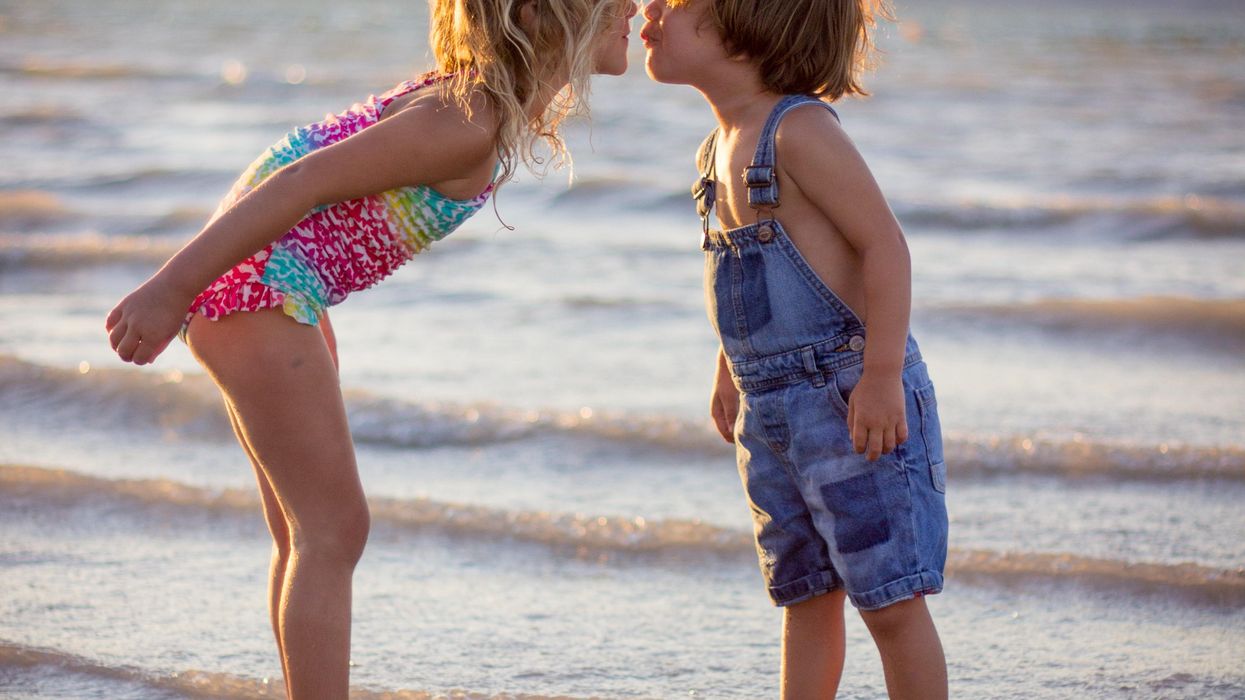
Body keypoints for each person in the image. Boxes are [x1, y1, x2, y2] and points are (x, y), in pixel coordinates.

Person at [104, 0, 637, 695]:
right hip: (260, 295)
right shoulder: (465, 121)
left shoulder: (470, 105)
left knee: (307, 536)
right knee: (333, 531)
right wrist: (171, 287)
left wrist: (290, 299)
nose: (632, 6)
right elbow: (300, 180)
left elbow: (295, 180)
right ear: (538, 13)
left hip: (279, 295)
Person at [640, 0, 949, 697]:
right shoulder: (714, 148)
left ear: (750, 21)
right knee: (803, 595)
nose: (649, 9)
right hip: (769, 410)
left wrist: (879, 376)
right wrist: (729, 369)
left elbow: (884, 248)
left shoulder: (798, 131)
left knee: (890, 600)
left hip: (848, 403)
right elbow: (747, 281)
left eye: (676, 2)